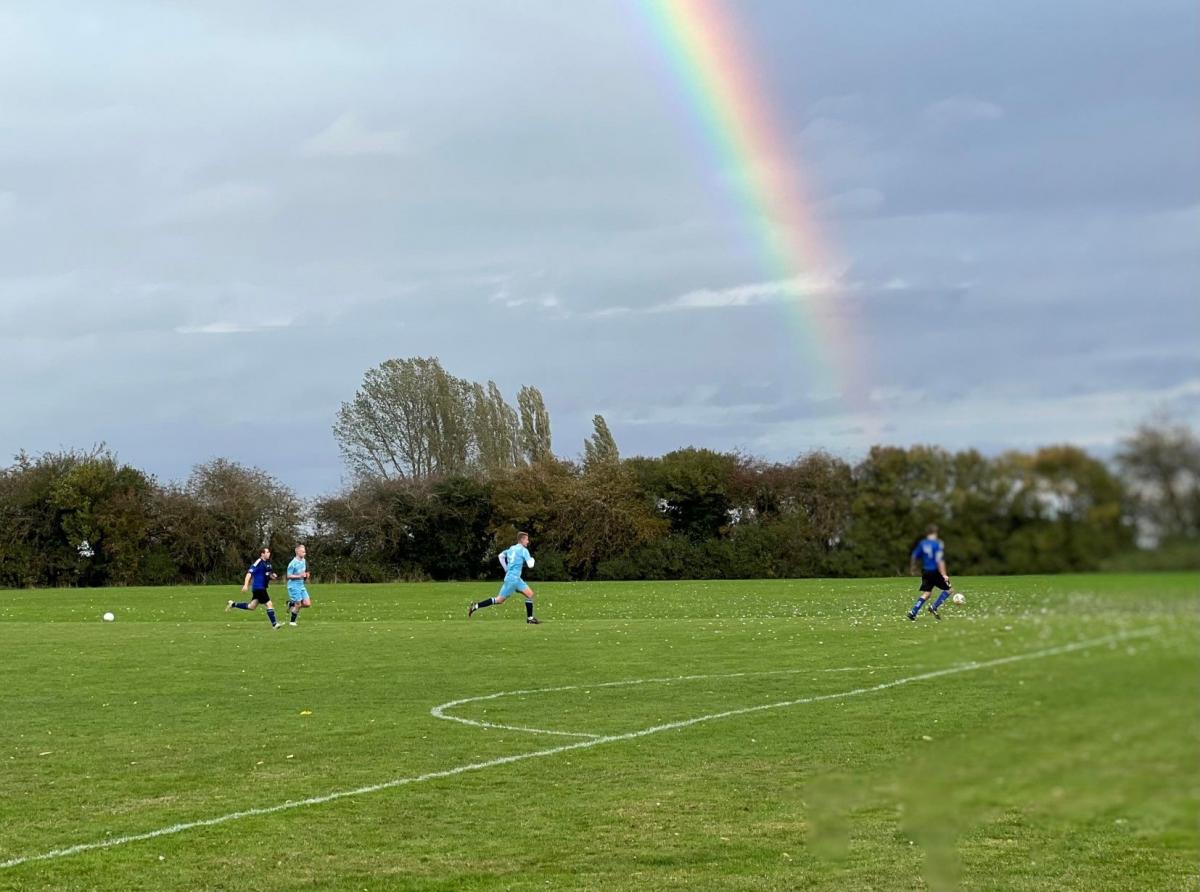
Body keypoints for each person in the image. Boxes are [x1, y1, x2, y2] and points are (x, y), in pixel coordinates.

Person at [468, 531, 540, 624]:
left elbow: (501, 556)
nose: (528, 541)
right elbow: (530, 565)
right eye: (527, 539)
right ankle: (476, 606)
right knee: (499, 600)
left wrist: (506, 569)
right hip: (513, 580)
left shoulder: (512, 548)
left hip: (514, 579)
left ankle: (530, 619)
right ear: (522, 540)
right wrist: (532, 559)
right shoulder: (524, 550)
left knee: (530, 594)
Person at [908, 525, 955, 621]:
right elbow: (940, 560)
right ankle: (934, 607)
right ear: (935, 533)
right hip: (935, 571)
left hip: (926, 571)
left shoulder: (922, 543)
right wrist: (944, 574)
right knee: (949, 590)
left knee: (927, 593)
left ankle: (913, 612)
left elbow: (914, 555)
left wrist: (913, 568)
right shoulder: (938, 544)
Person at [226, 547, 281, 629]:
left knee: (252, 606)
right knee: (269, 604)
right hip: (259, 587)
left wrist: (272, 576)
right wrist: (245, 585)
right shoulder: (258, 562)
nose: (269, 553)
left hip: (261, 588)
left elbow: (267, 575)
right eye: (267, 552)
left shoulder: (268, 564)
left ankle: (233, 604)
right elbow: (249, 573)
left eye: (269, 552)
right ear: (262, 554)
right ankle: (274, 624)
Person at [286, 544, 311, 626]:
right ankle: (292, 622)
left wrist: (306, 575)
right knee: (299, 604)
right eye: (303, 552)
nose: (304, 553)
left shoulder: (303, 560)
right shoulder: (292, 563)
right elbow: (288, 576)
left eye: (305, 552)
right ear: (297, 552)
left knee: (307, 604)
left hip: (301, 585)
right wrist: (299, 576)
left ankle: (291, 604)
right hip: (293, 586)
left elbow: (305, 571)